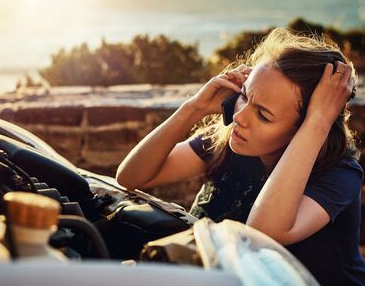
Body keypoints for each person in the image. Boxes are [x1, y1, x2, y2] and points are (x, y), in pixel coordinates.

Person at [116, 28, 365, 285]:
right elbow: (132, 176)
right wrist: (194, 108)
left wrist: (317, 122)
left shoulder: (340, 175)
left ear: (304, 129)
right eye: (244, 96)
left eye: (264, 115)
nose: (239, 117)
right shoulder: (234, 141)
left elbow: (261, 232)